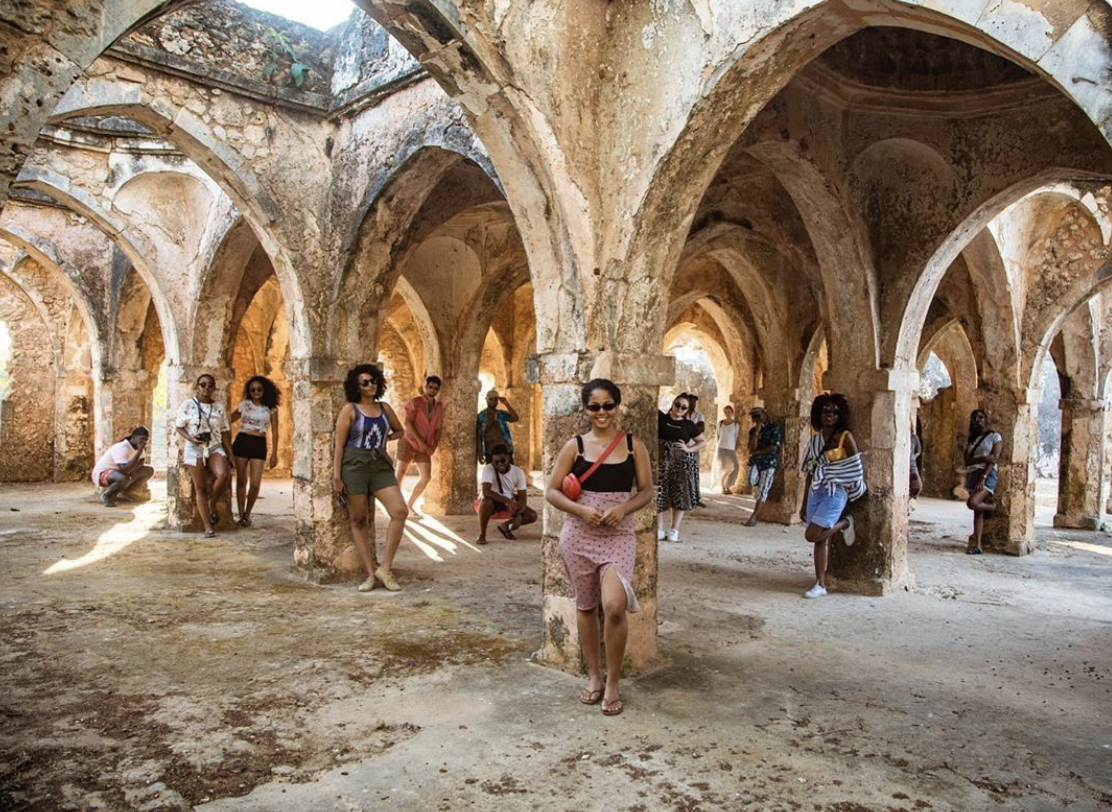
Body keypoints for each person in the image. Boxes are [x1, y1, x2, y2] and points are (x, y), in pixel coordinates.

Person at [546, 378, 653, 716]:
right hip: (579, 534)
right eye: (594, 406)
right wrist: (581, 510)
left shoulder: (634, 445)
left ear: (617, 406)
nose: (601, 412)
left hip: (618, 534)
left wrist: (624, 508)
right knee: (586, 605)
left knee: (615, 605)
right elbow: (551, 491)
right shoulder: (575, 447)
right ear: (586, 409)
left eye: (608, 405)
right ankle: (594, 676)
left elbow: (647, 490)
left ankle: (613, 682)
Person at [332, 364, 408, 592]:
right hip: (354, 465)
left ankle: (385, 568)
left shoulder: (385, 408)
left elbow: (400, 431)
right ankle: (370, 574)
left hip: (379, 464)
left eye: (373, 380)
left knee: (399, 511)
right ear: (357, 387)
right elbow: (339, 445)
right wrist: (337, 477)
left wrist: (384, 439)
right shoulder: (350, 409)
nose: (370, 385)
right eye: (364, 382)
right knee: (358, 519)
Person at [799, 393, 865, 599]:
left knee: (811, 535)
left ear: (840, 415)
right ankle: (820, 584)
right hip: (816, 491)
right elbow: (811, 472)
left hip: (835, 492)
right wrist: (803, 502)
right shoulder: (815, 441)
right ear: (818, 413)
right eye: (826, 411)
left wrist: (831, 473)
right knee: (819, 541)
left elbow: (855, 469)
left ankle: (845, 523)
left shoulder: (845, 438)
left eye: (835, 412)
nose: (830, 415)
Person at [175, 374, 233, 538]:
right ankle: (208, 526)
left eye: (210, 385)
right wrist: (190, 438)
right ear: (197, 386)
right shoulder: (188, 405)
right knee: (200, 487)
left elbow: (225, 430)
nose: (207, 388)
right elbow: (179, 427)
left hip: (214, 445)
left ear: (214, 387)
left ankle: (211, 502)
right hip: (195, 447)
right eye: (203, 384)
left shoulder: (218, 407)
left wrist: (230, 452)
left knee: (223, 474)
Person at [229, 375, 279, 527]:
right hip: (242, 441)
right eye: (252, 390)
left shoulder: (271, 408)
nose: (256, 392)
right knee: (241, 480)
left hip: (259, 443)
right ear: (249, 391)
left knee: (255, 483)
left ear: (264, 390)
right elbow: (229, 419)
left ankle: (248, 513)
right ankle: (241, 514)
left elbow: (275, 431)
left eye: (259, 389)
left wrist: (274, 453)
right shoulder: (245, 405)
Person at [656, 394, 707, 542]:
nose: (679, 408)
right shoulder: (661, 418)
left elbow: (702, 442)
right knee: (658, 494)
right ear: (673, 404)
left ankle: (674, 530)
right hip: (660, 461)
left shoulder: (689, 425)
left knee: (679, 495)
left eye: (684, 407)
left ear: (687, 410)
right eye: (677, 404)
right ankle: (659, 529)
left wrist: (688, 449)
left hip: (681, 463)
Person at [395, 375, 443, 516]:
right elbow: (408, 422)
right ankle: (396, 506)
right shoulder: (416, 402)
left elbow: (438, 429)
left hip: (425, 447)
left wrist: (433, 446)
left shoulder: (438, 407)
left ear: (438, 390)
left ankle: (409, 505)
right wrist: (420, 442)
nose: (432, 390)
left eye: (435, 388)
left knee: (426, 477)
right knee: (400, 474)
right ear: (425, 387)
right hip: (408, 442)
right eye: (430, 387)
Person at [475, 444, 536, 544]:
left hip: (508, 500)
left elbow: (523, 497)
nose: (500, 464)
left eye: (502, 460)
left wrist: (518, 515)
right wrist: (508, 501)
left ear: (508, 457)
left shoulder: (518, 472)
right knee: (487, 502)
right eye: (496, 462)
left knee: (532, 516)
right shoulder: (488, 469)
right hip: (492, 500)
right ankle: (482, 534)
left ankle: (505, 526)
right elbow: (486, 492)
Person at [964, 409, 1002, 555]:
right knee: (977, 512)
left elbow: (994, 459)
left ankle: (992, 507)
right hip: (972, 474)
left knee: (972, 503)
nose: (978, 420)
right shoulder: (972, 439)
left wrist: (983, 477)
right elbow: (967, 461)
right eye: (974, 418)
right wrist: (984, 458)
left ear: (986, 419)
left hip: (987, 474)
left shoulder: (995, 436)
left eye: (980, 417)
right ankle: (978, 545)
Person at [91, 426, 154, 507]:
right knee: (124, 478)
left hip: (120, 472)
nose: (144, 442)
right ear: (133, 437)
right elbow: (124, 470)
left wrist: (133, 473)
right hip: (102, 474)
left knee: (149, 470)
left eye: (146, 440)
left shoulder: (139, 448)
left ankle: (125, 492)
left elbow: (140, 463)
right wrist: (139, 451)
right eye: (142, 439)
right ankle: (107, 495)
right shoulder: (122, 447)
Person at [744, 407, 783, 527]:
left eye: (758, 415)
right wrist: (757, 431)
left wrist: (758, 452)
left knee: (763, 489)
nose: (757, 418)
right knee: (750, 481)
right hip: (755, 461)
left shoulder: (774, 428)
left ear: (764, 414)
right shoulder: (753, 431)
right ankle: (759, 491)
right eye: (754, 416)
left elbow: (774, 447)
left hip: (768, 462)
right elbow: (751, 447)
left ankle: (754, 516)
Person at [476, 389, 518, 464]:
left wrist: (506, 404)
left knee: (508, 470)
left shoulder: (501, 414)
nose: (493, 401)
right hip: (490, 451)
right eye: (491, 399)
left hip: (505, 449)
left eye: (495, 399)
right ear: (487, 400)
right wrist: (480, 454)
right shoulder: (482, 416)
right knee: (491, 471)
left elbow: (515, 418)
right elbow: (479, 436)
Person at [684, 393, 708, 506]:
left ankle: (696, 499)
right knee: (683, 473)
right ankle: (685, 498)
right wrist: (694, 427)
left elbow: (702, 428)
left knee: (695, 473)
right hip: (682, 447)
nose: (693, 404)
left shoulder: (699, 415)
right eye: (691, 401)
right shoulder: (682, 412)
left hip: (694, 447)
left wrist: (687, 428)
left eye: (694, 402)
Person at [716, 405, 740, 495]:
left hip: (731, 448)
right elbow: (718, 436)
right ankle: (724, 488)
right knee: (723, 468)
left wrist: (734, 447)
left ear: (732, 412)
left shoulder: (736, 424)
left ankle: (728, 485)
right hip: (721, 448)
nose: (727, 413)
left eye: (729, 412)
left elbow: (736, 437)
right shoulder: (720, 423)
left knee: (736, 466)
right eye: (725, 412)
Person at [909, 422, 923, 503]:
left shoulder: (914, 437)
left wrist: (913, 457)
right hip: (904, 467)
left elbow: (919, 450)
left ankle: (911, 499)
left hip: (912, 466)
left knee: (918, 486)